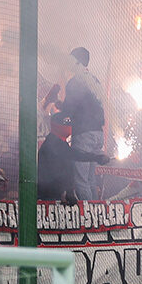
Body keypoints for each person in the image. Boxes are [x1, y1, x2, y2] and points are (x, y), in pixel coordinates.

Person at [60, 48, 106, 199]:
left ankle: (89, 218)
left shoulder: (75, 82)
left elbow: (69, 108)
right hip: (98, 134)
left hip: (84, 134)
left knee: (80, 181)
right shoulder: (94, 79)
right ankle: (96, 216)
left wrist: (59, 108)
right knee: (90, 179)